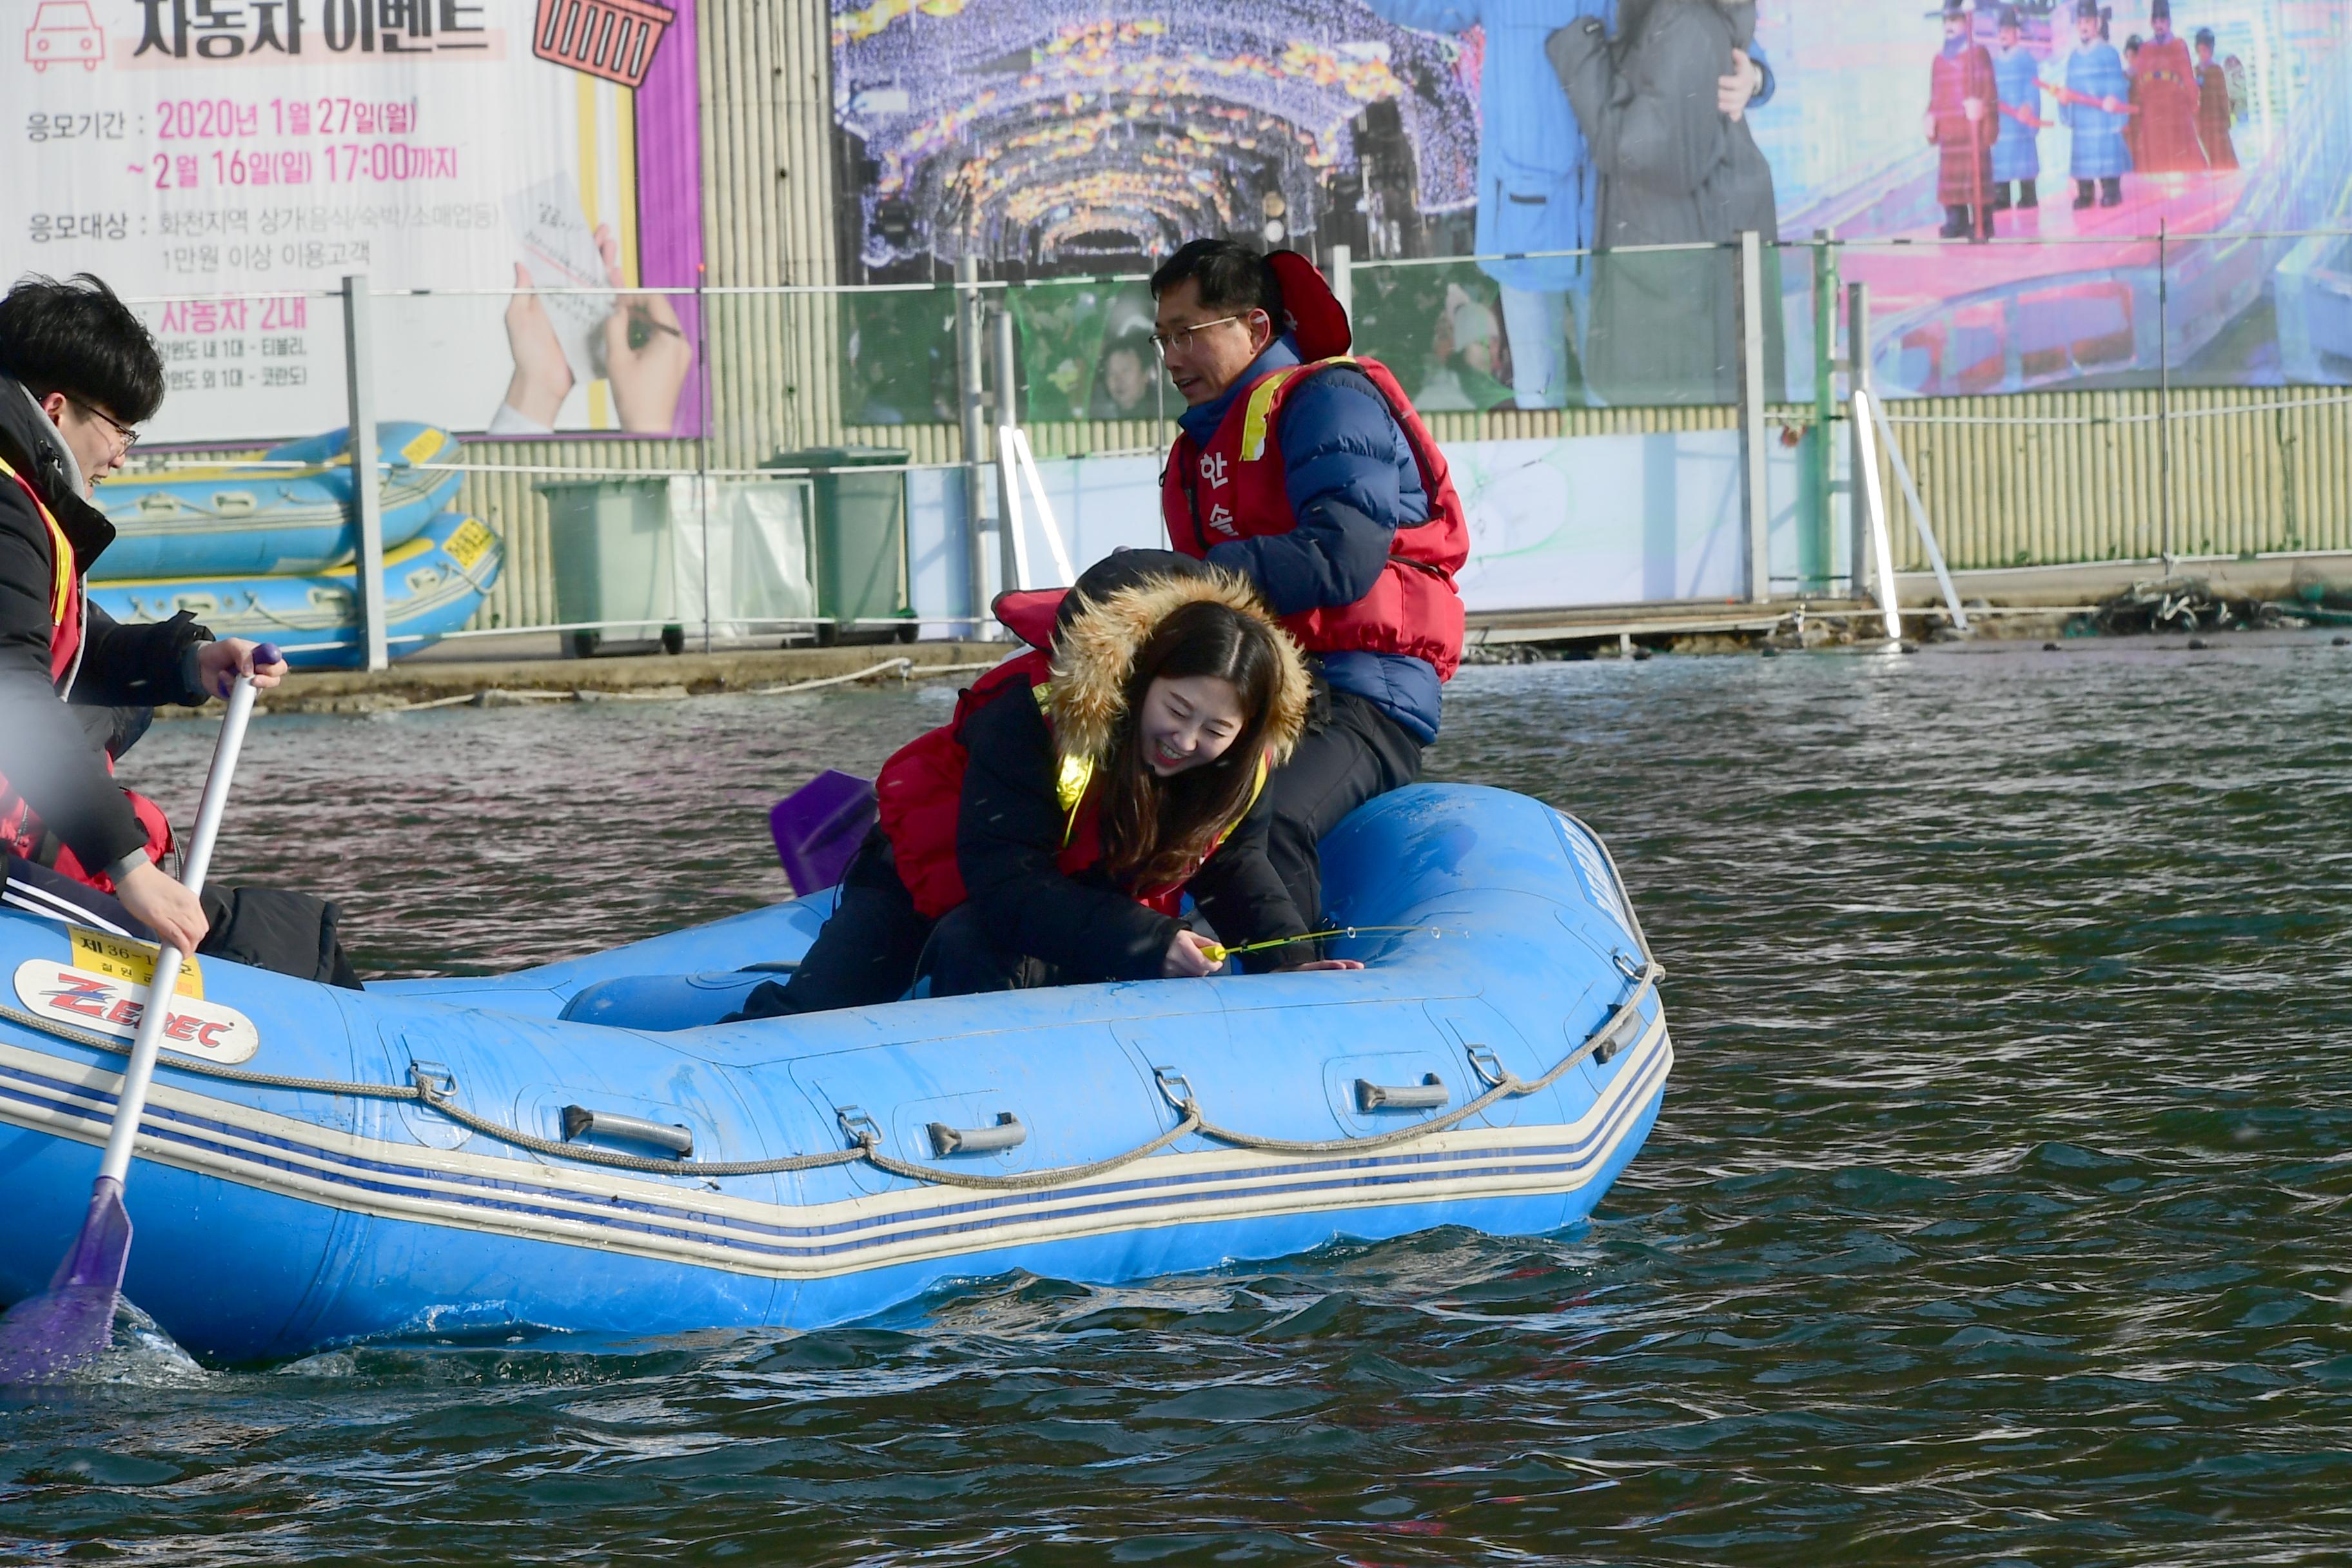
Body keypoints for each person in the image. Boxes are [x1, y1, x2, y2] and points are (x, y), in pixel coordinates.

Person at [733, 552, 1348, 1017]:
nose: (1187, 742)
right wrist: (1148, 940)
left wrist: (1291, 962)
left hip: (1076, 898)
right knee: (869, 986)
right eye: (1178, 710)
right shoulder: (1029, 720)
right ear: (1141, 683)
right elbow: (1006, 886)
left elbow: (1237, 865)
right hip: (934, 876)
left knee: (995, 943)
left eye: (1216, 729)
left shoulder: (1243, 761)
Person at [0, 272, 320, 967]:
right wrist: (130, 869)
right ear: (56, 410)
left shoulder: (22, 499)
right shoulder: (5, 507)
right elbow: (13, 694)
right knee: (250, 939)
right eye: (118, 429)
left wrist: (192, 661)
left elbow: (80, 642)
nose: (120, 454)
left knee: (258, 931)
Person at [1148, 240, 1467, 930]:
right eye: (1162, 337)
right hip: (1254, 695)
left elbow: (1342, 556)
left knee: (1266, 822)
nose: (1172, 358)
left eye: (1187, 334)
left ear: (1256, 328)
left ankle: (1303, 992)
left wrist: (1190, 579)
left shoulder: (1330, 399)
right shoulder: (1202, 446)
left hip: (1361, 694)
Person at [1360, 0, 1774, 409]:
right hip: (1528, 214)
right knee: (1538, 391)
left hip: (1620, 221)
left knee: (1614, 392)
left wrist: (1754, 76)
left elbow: (1708, 27)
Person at [1549, 0, 1784, 404]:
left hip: (1665, 261)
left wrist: (1580, 57)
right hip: (1594, 229)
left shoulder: (1685, 22)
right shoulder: (1677, 17)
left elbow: (1647, 154)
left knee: (1668, 430)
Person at [1924, 0, 1999, 242]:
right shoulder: (1938, 60)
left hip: (1971, 130)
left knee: (1976, 177)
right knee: (1952, 178)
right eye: (1946, 20)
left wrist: (1983, 109)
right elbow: (1935, 95)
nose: (1949, 26)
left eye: (1954, 20)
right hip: (1950, 132)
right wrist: (1931, 116)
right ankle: (1955, 219)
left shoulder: (1979, 54)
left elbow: (1990, 92)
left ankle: (1982, 221)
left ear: (1967, 21)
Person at [2062, 0, 2132, 211]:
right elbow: (2069, 86)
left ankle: (2111, 190)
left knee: (2106, 154)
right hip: (2083, 119)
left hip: (2103, 118)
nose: (2083, 26)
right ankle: (2085, 192)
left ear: (2097, 23)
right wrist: (2065, 101)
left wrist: (2114, 100)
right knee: (2083, 158)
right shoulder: (2073, 57)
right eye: (2080, 22)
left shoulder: (2109, 53)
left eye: (2088, 21)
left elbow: (2117, 85)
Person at [2130, 1, 2206, 175]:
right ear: (2151, 23)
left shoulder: (2178, 45)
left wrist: (2194, 105)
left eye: (2162, 21)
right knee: (2155, 164)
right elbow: (2140, 82)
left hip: (2176, 112)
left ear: (2169, 22)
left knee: (2181, 160)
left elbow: (2188, 78)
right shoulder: (2145, 49)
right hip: (2153, 114)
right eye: (2155, 21)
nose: (2159, 26)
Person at [1988, 5, 2044, 213]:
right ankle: (2002, 196)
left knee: (2024, 159)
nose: (2003, 34)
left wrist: (2029, 107)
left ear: (2017, 33)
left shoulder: (2026, 59)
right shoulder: (1994, 63)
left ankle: (2028, 195)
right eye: (2000, 30)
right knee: (2001, 160)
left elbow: (2032, 86)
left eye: (2008, 30)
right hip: (2002, 122)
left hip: (2020, 120)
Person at [2194, 28, 2239, 171]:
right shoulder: (2195, 71)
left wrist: (2227, 119)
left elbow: (2223, 96)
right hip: (2203, 124)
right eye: (2201, 50)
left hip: (2218, 124)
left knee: (2224, 158)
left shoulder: (2216, 70)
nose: (2203, 54)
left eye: (2206, 50)